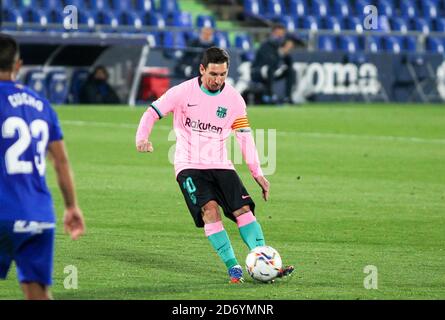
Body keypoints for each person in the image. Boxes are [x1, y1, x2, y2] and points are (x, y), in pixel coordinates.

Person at [135, 47, 294, 283]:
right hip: (188, 165)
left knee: (244, 211)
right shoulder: (182, 92)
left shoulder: (234, 100)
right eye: (213, 74)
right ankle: (233, 267)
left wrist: (257, 172)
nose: (218, 80)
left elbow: (244, 136)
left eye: (223, 74)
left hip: (221, 164)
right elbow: (151, 113)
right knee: (210, 210)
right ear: (202, 69)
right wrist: (142, 138)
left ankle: (265, 263)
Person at [0, 34, 86, 300]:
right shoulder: (41, 105)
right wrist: (71, 206)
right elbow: (60, 162)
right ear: (18, 65)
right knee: (38, 293)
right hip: (38, 214)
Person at [251, 24, 298, 104]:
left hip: (273, 70)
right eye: (278, 34)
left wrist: (286, 52)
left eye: (281, 34)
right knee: (270, 68)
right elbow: (269, 61)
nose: (280, 36)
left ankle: (288, 97)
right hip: (258, 71)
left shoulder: (280, 45)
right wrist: (281, 52)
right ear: (273, 33)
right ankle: (270, 95)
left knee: (290, 70)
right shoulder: (266, 44)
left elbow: (289, 63)